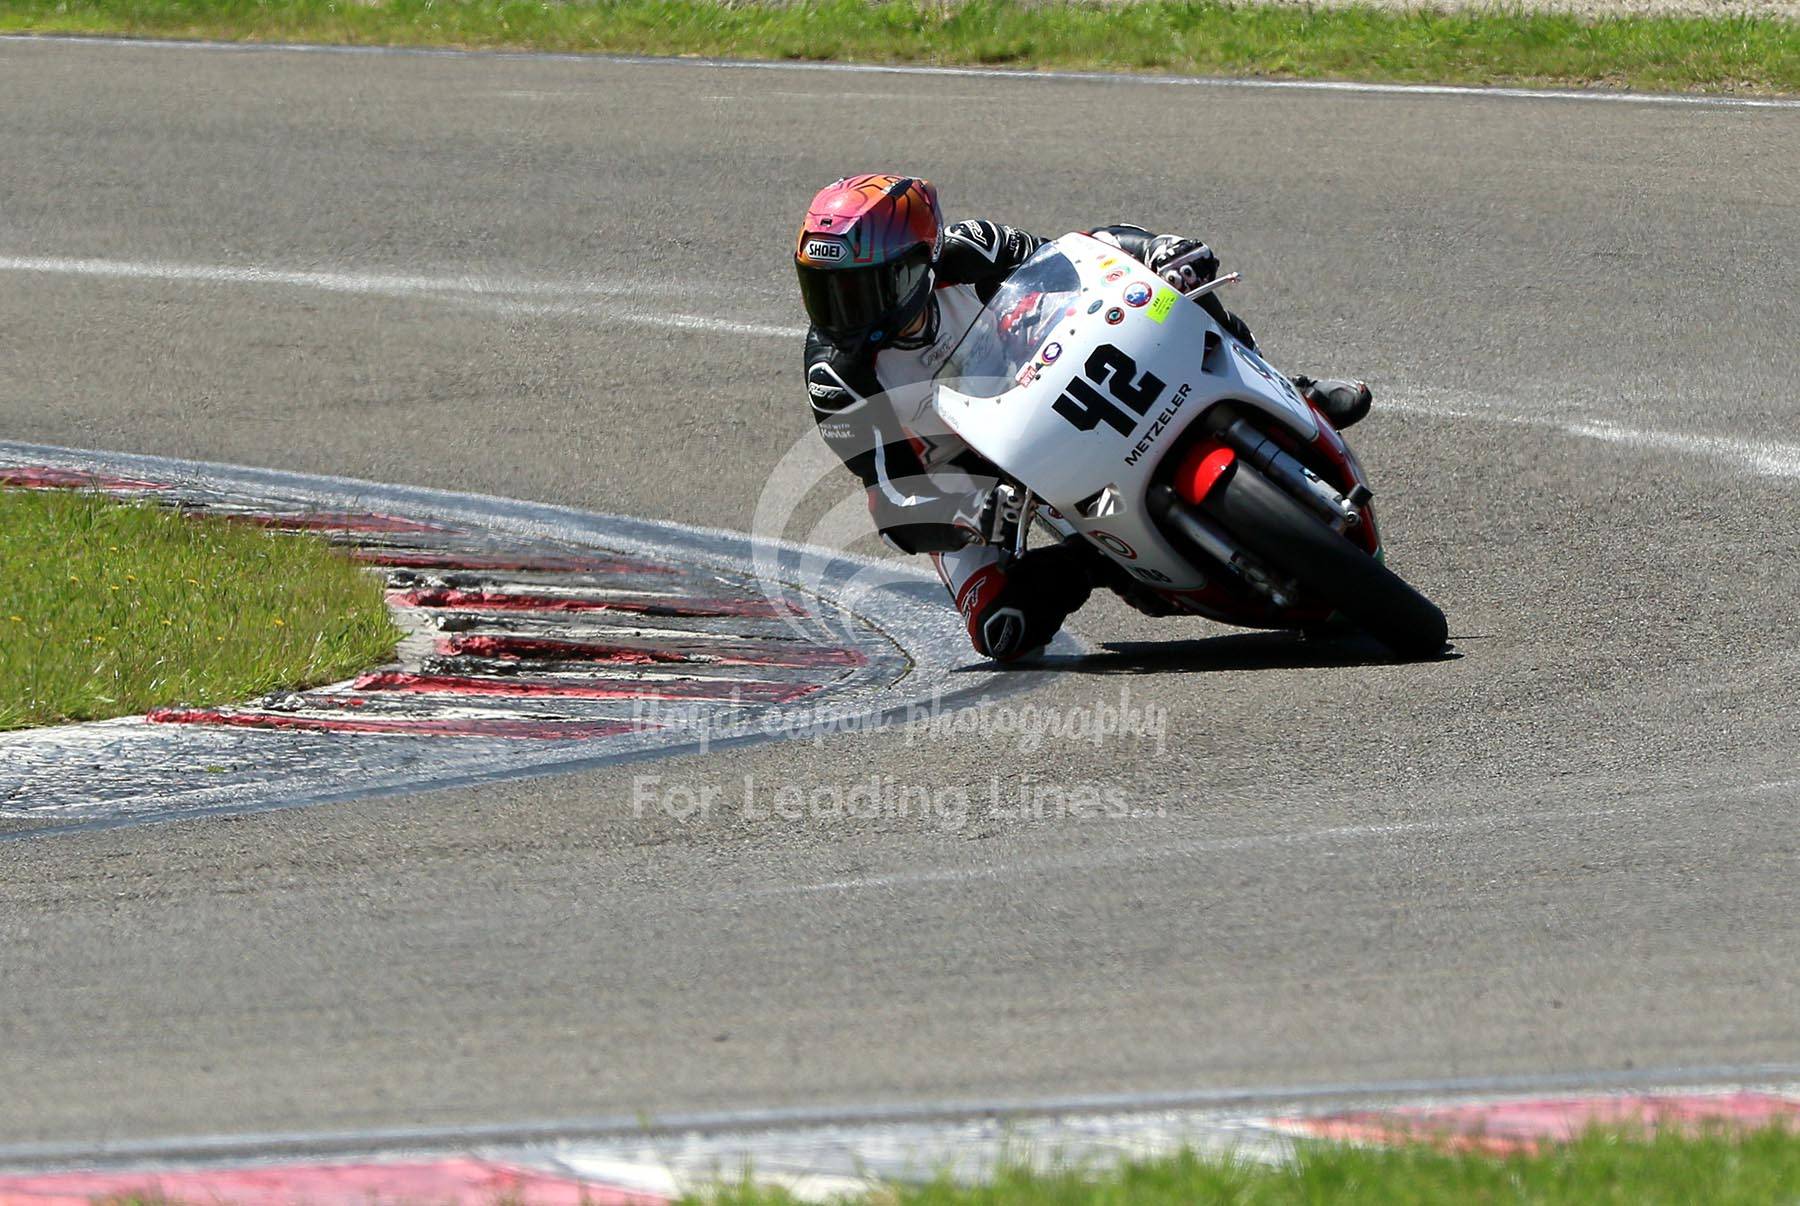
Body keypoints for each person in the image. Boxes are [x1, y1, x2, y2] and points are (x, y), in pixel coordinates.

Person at [795, 173, 1374, 662]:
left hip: (1048, 373)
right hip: (972, 471)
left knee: (1168, 287)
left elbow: (1085, 255)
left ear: (922, 260)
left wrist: (1156, 251)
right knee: (1004, 630)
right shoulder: (835, 377)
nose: (842, 313)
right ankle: (1092, 559)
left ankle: (1288, 387)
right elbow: (891, 495)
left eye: (863, 288)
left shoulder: (973, 247)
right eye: (825, 291)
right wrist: (965, 514)